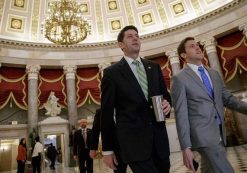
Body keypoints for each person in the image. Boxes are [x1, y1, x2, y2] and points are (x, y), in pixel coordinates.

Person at [100, 25, 172, 173]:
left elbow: (165, 95)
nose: (135, 38)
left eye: (137, 35)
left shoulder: (154, 67)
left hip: (159, 141)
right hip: (133, 144)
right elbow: (106, 113)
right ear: (121, 45)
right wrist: (107, 150)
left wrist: (167, 104)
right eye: (130, 36)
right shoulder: (111, 73)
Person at [170, 37, 247, 173]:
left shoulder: (214, 74)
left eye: (198, 45)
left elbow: (228, 99)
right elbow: (180, 113)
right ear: (183, 55)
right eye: (192, 46)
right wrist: (185, 147)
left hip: (219, 130)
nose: (198, 47)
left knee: (208, 169)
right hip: (202, 135)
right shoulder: (179, 78)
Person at [89, 108, 127, 173]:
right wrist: (93, 148)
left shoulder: (126, 107)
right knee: (119, 170)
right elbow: (95, 130)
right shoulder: (100, 111)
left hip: (132, 146)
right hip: (115, 149)